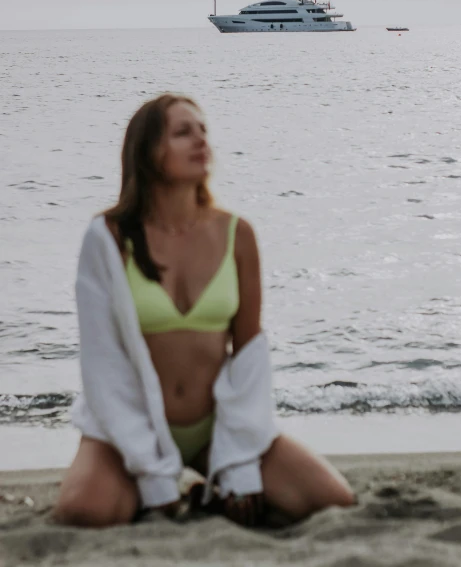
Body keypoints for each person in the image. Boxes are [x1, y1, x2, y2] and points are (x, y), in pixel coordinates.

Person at [54, 93, 355, 528]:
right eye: (182, 132)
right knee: (85, 512)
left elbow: (250, 354)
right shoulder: (107, 238)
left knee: (331, 500)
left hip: (215, 425)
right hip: (128, 424)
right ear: (148, 152)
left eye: (203, 130)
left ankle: (210, 490)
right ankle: (148, 488)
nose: (200, 141)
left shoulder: (237, 234)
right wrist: (151, 473)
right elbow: (104, 367)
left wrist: (241, 464)